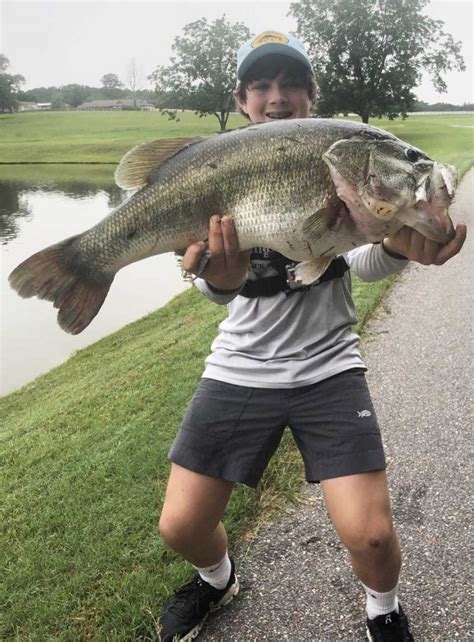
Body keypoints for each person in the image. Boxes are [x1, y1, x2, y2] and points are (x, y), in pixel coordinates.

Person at [157, 31, 467, 642]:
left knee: (372, 535)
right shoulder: (222, 163)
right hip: (240, 366)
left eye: (291, 83)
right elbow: (209, 288)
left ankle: (383, 607)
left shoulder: (339, 164)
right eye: (262, 85)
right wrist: (219, 278)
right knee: (180, 527)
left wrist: (400, 249)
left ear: (311, 94)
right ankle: (217, 577)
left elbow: (360, 264)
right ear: (243, 99)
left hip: (329, 368)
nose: (278, 97)